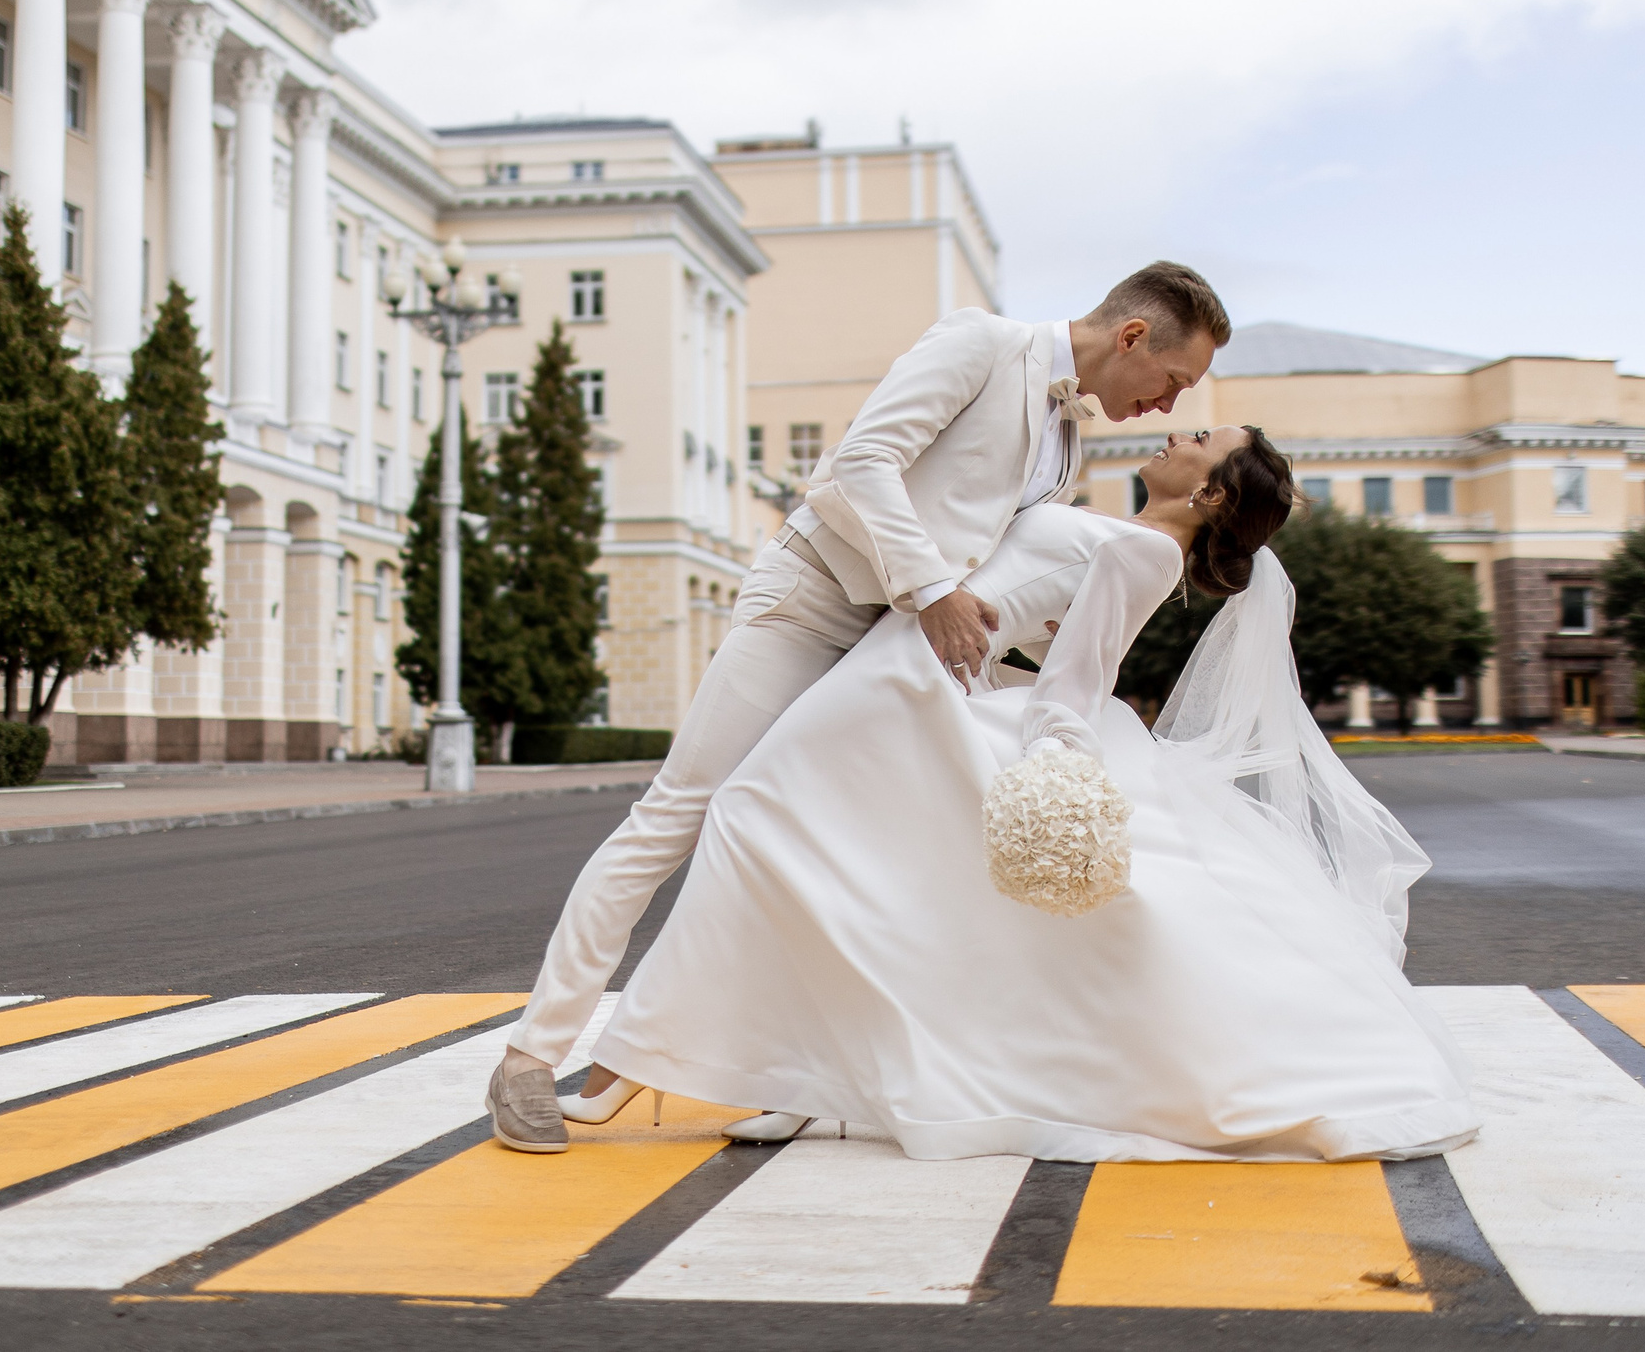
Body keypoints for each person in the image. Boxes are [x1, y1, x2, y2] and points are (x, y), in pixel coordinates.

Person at [487, 263, 1233, 1153]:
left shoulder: (1067, 443)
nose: (1164, 405)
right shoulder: (981, 343)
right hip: (810, 604)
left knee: (833, 853)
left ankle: (800, 1072)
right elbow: (856, 467)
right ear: (1133, 337)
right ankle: (531, 1058)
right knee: (679, 814)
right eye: (1172, 381)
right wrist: (932, 591)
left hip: (897, 650)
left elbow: (982, 547)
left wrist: (1012, 651)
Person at [584, 427, 1477, 1163]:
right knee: (844, 876)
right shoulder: (1124, 534)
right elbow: (1038, 635)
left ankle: (630, 1064)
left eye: (1201, 440)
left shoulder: (1140, 550)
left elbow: (1076, 681)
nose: (1178, 431)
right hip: (912, 672)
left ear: (1209, 493)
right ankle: (791, 1075)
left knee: (753, 820)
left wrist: (1051, 761)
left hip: (913, 690)